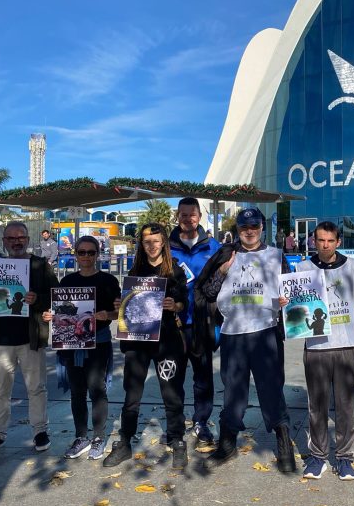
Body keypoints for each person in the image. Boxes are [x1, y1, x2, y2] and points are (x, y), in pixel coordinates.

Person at [198, 207, 296, 473]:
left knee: (272, 389)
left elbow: (292, 292)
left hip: (266, 333)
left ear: (262, 227)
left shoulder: (276, 255)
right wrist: (221, 272)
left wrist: (287, 300)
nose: (249, 231)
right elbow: (206, 292)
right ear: (238, 229)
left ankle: (284, 443)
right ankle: (227, 444)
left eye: (254, 227)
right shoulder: (226, 254)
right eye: (244, 227)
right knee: (233, 391)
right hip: (233, 335)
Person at [104, 223, 189, 469]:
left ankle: (177, 439)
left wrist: (176, 306)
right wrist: (121, 302)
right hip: (138, 339)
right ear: (141, 244)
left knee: (172, 394)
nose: (151, 245)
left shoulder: (175, 271)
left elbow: (184, 303)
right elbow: (126, 305)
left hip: (167, 341)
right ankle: (125, 441)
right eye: (146, 241)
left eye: (155, 240)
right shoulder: (135, 270)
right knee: (132, 393)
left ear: (164, 242)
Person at [290, 221, 354, 481]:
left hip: (345, 343)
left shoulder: (353, 267)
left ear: (338, 242)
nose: (325, 245)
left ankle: (344, 457)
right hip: (316, 345)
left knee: (346, 405)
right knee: (317, 404)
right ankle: (318, 456)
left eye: (330, 241)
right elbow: (296, 310)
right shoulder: (302, 268)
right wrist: (286, 305)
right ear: (313, 240)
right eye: (320, 240)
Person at [0, 221, 57, 456]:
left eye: (20, 237)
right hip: (0, 339)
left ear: (28, 240)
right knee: (0, 390)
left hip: (31, 337)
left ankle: (40, 431)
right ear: (4, 241)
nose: (16, 242)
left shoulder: (41, 266)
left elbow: (57, 295)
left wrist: (38, 299)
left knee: (37, 388)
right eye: (11, 238)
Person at [42, 236, 121, 461]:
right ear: (75, 255)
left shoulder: (108, 280)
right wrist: (51, 315)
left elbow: (120, 312)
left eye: (91, 252)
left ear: (98, 254)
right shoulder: (66, 281)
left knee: (97, 389)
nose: (86, 257)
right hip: (71, 344)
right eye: (82, 252)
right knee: (77, 391)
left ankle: (98, 436)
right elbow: (59, 311)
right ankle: (81, 436)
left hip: (99, 341)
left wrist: (109, 314)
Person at [168, 196, 221, 449]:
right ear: (177, 216)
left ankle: (201, 421)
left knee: (202, 377)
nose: (187, 218)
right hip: (173, 324)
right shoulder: (166, 246)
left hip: (201, 323)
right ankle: (175, 424)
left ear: (200, 217)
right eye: (183, 214)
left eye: (192, 214)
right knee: (173, 378)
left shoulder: (213, 246)